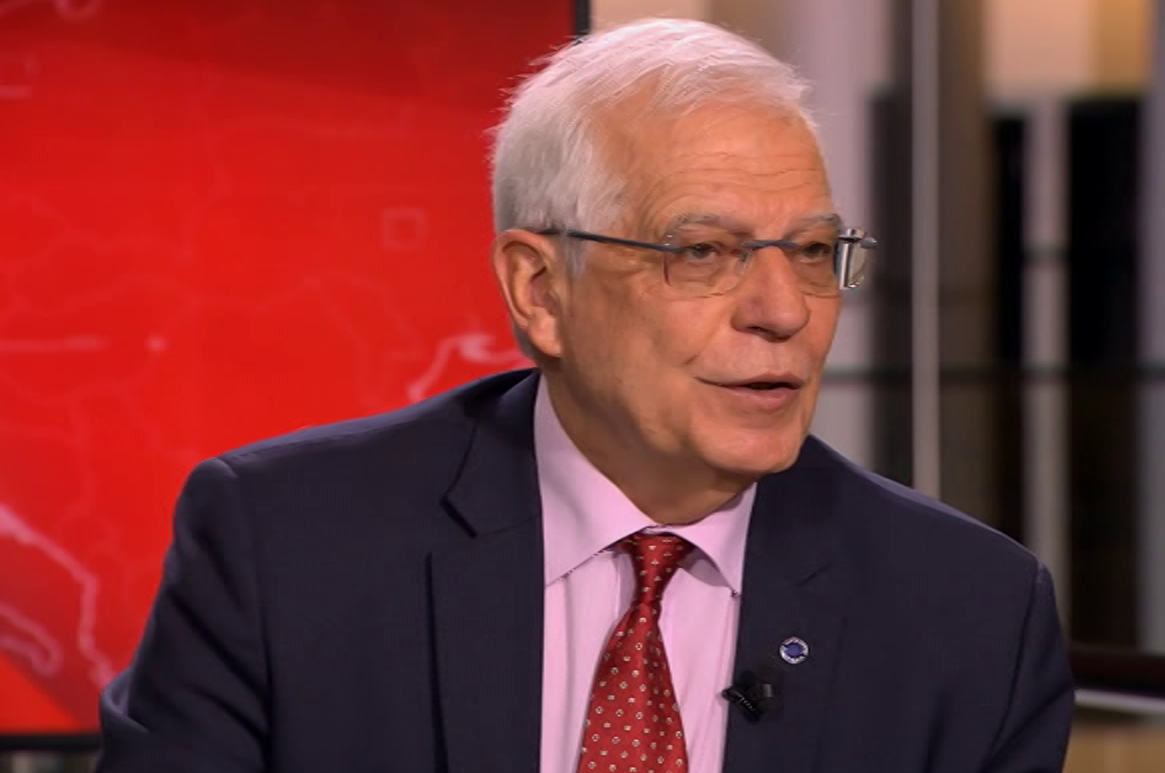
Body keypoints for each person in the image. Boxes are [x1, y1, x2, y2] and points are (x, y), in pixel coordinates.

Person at [95, 18, 1073, 773]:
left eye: (813, 252)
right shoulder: (285, 548)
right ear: (540, 291)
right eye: (703, 251)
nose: (784, 311)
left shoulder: (969, 613)